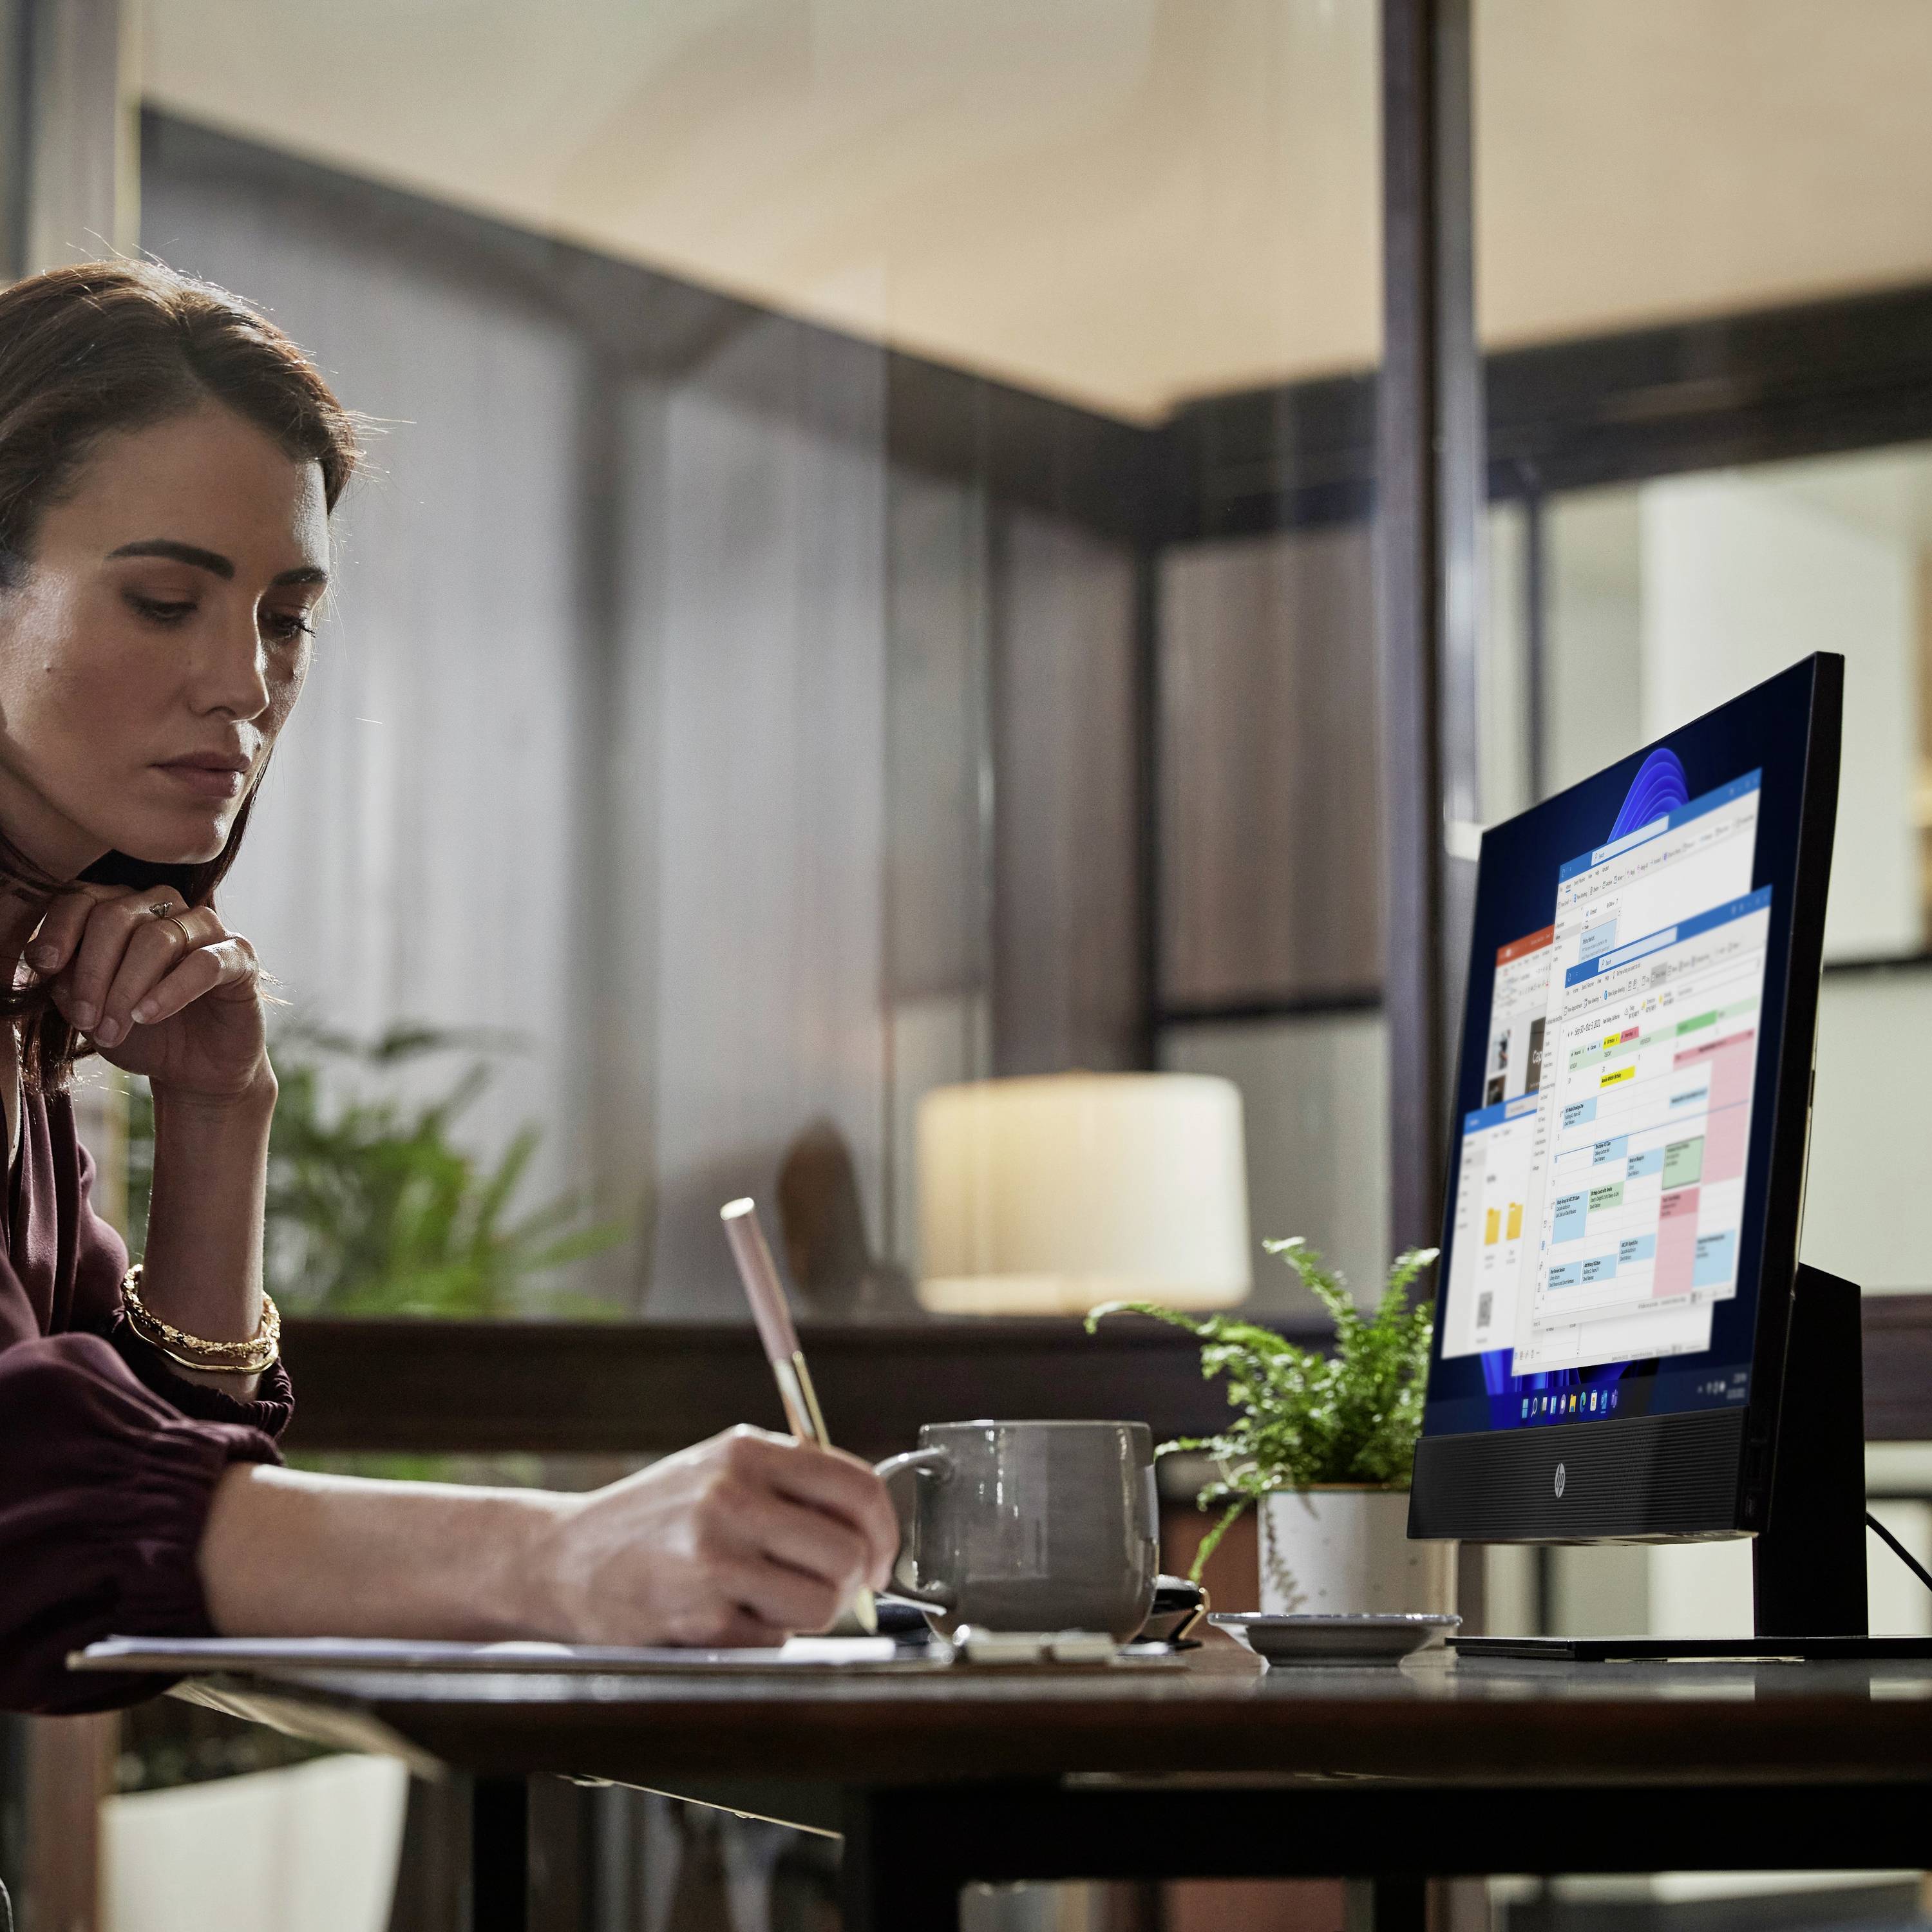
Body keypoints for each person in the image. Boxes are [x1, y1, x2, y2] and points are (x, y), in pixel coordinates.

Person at [0, 261, 897, 1714]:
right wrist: (558, 1555)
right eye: (166, 601)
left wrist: (221, 1119)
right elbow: (40, 1493)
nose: (243, 682)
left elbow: (138, 1538)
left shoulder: (37, 1008)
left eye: (286, 620)